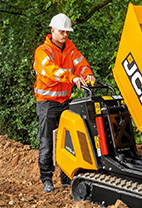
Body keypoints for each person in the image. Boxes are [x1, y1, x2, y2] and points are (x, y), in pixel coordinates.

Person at [33, 13, 96, 192]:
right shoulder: (42, 52)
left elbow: (80, 63)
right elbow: (53, 71)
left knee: (69, 139)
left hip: (65, 101)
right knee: (47, 142)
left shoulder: (70, 48)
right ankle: (46, 179)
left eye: (67, 32)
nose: (65, 35)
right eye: (62, 31)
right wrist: (72, 77)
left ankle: (66, 177)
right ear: (52, 30)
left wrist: (86, 73)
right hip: (47, 103)